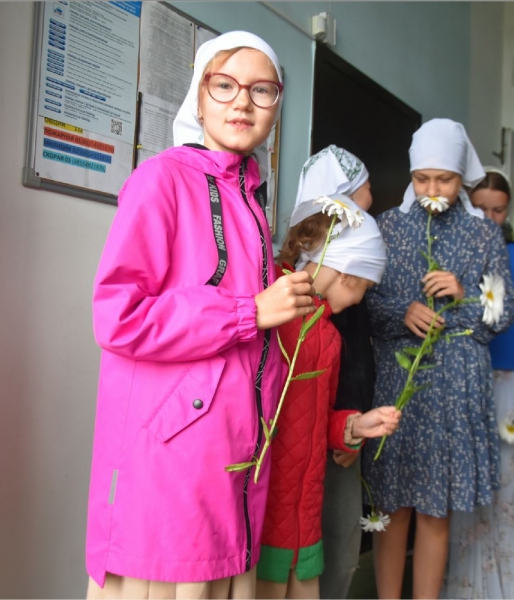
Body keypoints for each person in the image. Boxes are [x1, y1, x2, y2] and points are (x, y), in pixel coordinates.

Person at [85, 31, 318, 599]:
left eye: (262, 90)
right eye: (225, 85)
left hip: (233, 463)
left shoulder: (251, 198)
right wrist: (249, 311)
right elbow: (118, 317)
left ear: (277, 105)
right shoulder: (161, 179)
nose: (242, 102)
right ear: (200, 95)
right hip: (170, 467)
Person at [363, 118, 514, 599]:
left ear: (462, 178)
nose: (432, 190)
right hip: (399, 384)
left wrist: (465, 292)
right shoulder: (387, 227)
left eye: (444, 180)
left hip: (456, 387)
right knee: (393, 506)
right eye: (422, 178)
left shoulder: (483, 234)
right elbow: (363, 304)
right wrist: (402, 311)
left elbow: (504, 311)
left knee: (435, 508)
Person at [256, 189, 401, 600]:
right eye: (364, 288)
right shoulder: (273, 310)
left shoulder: (327, 336)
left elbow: (314, 420)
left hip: (303, 519)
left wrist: (353, 426)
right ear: (347, 275)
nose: (360, 299)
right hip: (268, 518)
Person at [445, 168, 514, 599]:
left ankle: (501, 583)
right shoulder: (453, 252)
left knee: (507, 484)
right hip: (461, 382)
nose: (490, 218)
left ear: (508, 212)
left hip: (507, 385)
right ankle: (464, 583)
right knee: (464, 484)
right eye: (481, 208)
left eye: (499, 210)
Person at [278, 145, 378, 600]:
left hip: (326, 448)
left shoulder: (332, 320)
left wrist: (351, 426)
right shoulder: (283, 303)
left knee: (334, 550)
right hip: (286, 477)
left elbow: (325, 401)